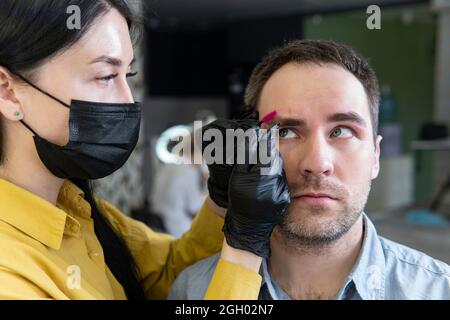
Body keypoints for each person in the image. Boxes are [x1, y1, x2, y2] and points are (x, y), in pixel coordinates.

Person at [0, 0, 287, 300]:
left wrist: (222, 197)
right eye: (105, 77)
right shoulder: (7, 272)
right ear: (8, 91)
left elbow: (169, 274)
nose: (127, 102)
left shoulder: (82, 210)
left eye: (129, 76)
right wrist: (244, 247)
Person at [168, 40, 450, 300]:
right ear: (249, 147)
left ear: (375, 156)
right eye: (287, 132)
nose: (317, 164)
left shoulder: (438, 291)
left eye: (341, 130)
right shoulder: (193, 292)